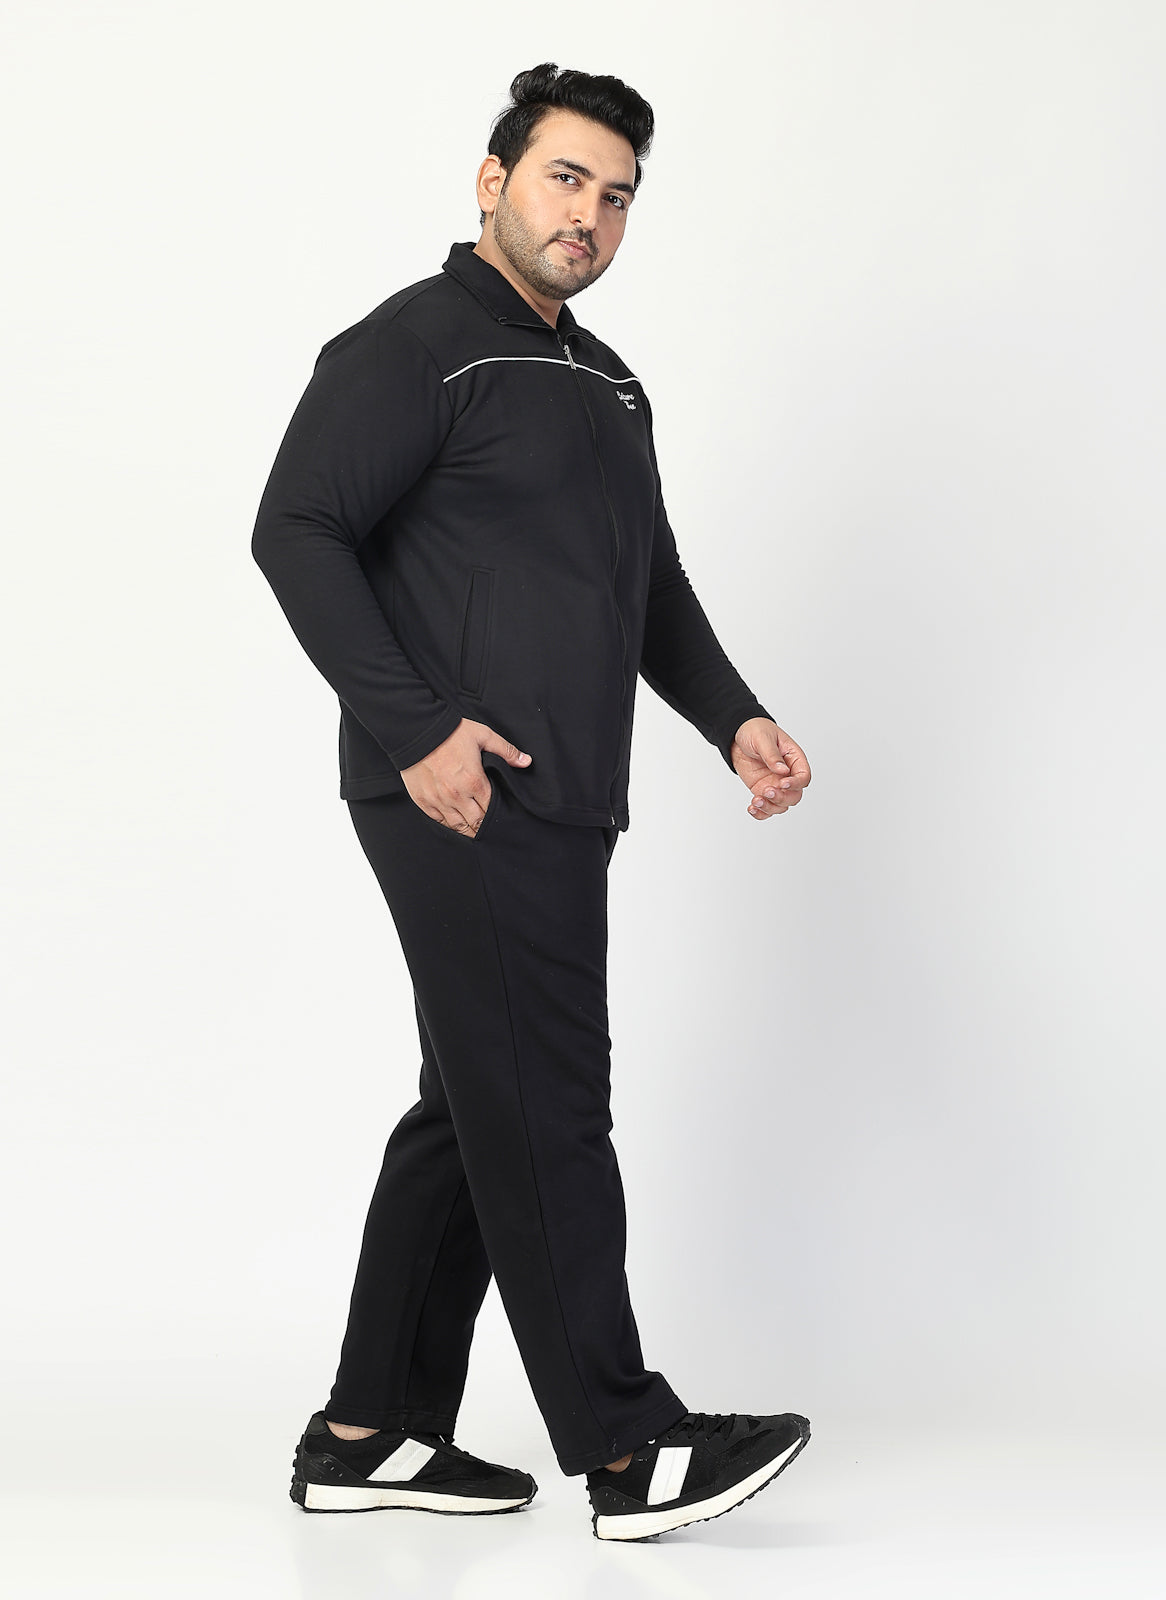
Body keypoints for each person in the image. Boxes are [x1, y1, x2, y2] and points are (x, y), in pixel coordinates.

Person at [252, 61, 813, 1543]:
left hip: (568, 795)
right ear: (494, 180)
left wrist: (734, 717)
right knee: (549, 1100)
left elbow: (650, 589)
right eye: (567, 179)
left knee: (475, 1102)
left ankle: (369, 1430)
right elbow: (295, 528)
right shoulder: (411, 347)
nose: (591, 216)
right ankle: (629, 1450)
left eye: (617, 196)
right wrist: (419, 729)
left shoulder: (610, 383)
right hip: (462, 793)